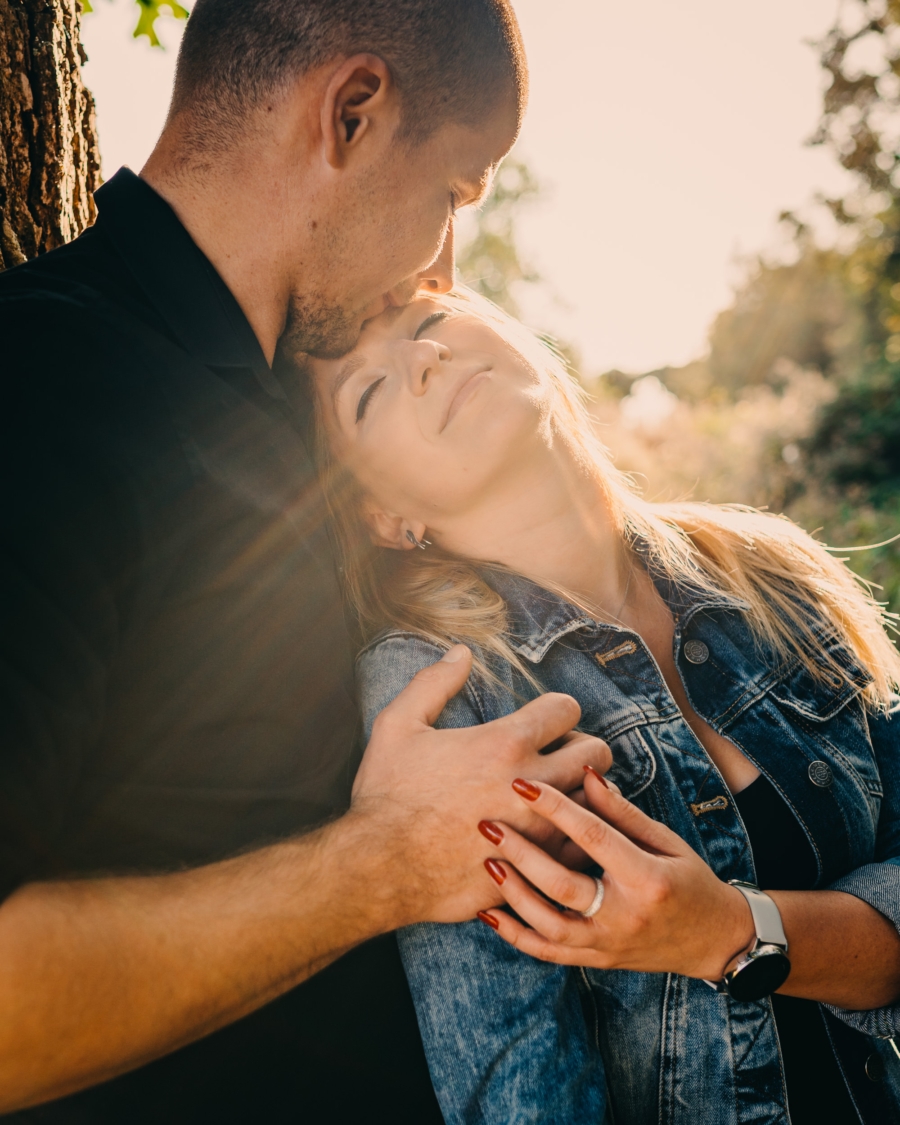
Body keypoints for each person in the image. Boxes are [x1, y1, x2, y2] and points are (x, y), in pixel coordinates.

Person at [0, 3, 615, 1120]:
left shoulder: (309, 409)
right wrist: (385, 863)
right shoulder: (37, 391)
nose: (442, 260)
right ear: (352, 113)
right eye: (455, 192)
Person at [309, 286, 900, 1124]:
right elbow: (520, 1095)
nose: (426, 357)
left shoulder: (773, 574)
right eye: (367, 392)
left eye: (431, 320)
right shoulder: (439, 690)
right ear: (385, 516)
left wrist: (730, 930)